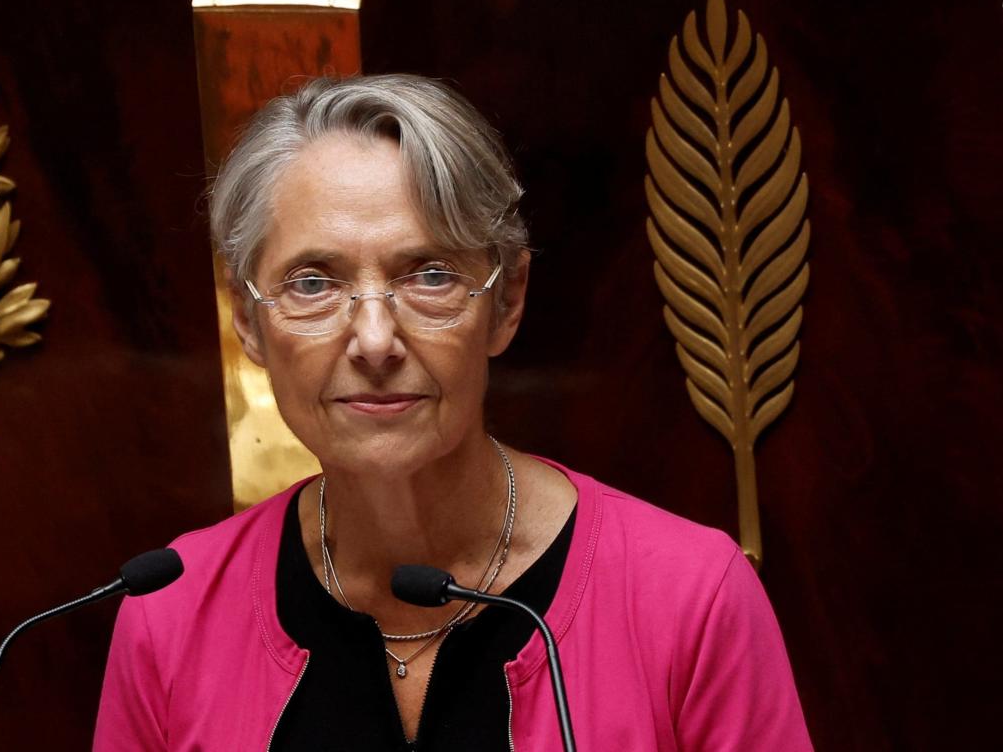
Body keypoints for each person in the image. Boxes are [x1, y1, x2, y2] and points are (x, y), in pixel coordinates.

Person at [94, 74, 812, 751]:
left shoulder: (690, 598)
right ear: (248, 322)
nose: (374, 341)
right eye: (312, 282)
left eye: (429, 276)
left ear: (506, 301)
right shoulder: (169, 614)